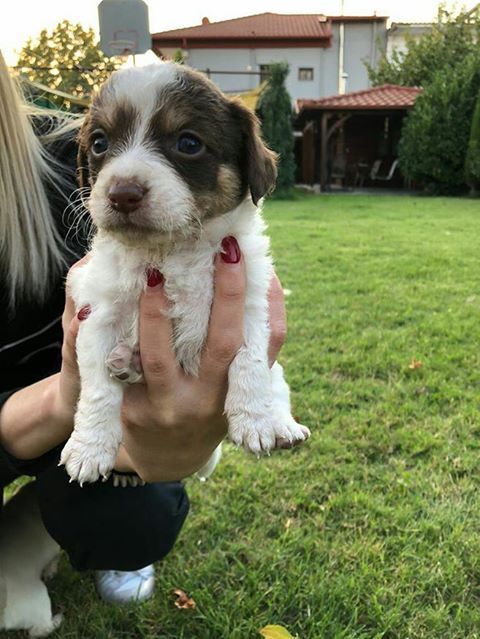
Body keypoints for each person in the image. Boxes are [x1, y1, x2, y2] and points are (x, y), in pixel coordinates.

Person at [0, 51, 287, 604]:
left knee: (134, 515)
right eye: (102, 145)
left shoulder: (46, 153)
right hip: (55, 416)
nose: (123, 182)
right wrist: (69, 402)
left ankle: (69, 522)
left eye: (187, 144)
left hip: (104, 428)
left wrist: (170, 438)